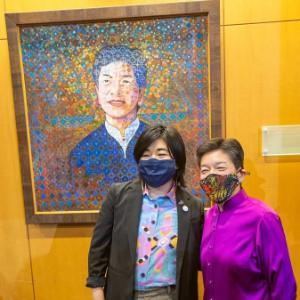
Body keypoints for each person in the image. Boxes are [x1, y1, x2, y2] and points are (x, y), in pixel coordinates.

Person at [86, 125, 204, 300]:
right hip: (123, 293)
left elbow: (200, 256)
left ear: (177, 160)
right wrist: (97, 290)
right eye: (146, 154)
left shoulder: (193, 206)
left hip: (171, 294)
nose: (153, 159)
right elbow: (99, 247)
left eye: (161, 154)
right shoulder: (118, 196)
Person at [196, 138, 297, 300]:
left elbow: (284, 287)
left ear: (240, 174)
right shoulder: (209, 216)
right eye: (205, 170)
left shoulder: (263, 218)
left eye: (220, 168)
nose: (212, 175)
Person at [69, 45, 148, 200]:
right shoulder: (81, 152)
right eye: (107, 81)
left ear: (141, 93)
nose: (115, 91)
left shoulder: (158, 143)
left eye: (125, 81)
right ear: (97, 92)